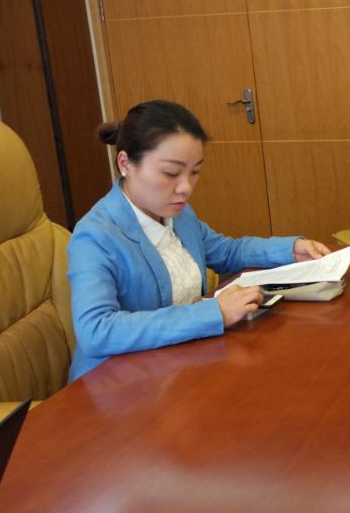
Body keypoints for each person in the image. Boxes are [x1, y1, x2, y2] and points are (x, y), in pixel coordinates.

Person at [67, 100, 331, 381]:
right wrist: (212, 314)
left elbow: (226, 252)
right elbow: (96, 330)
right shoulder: (95, 236)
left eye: (194, 172)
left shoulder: (177, 213)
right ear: (125, 164)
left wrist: (290, 249)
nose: (185, 188)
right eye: (171, 173)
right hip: (120, 386)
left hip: (180, 366)